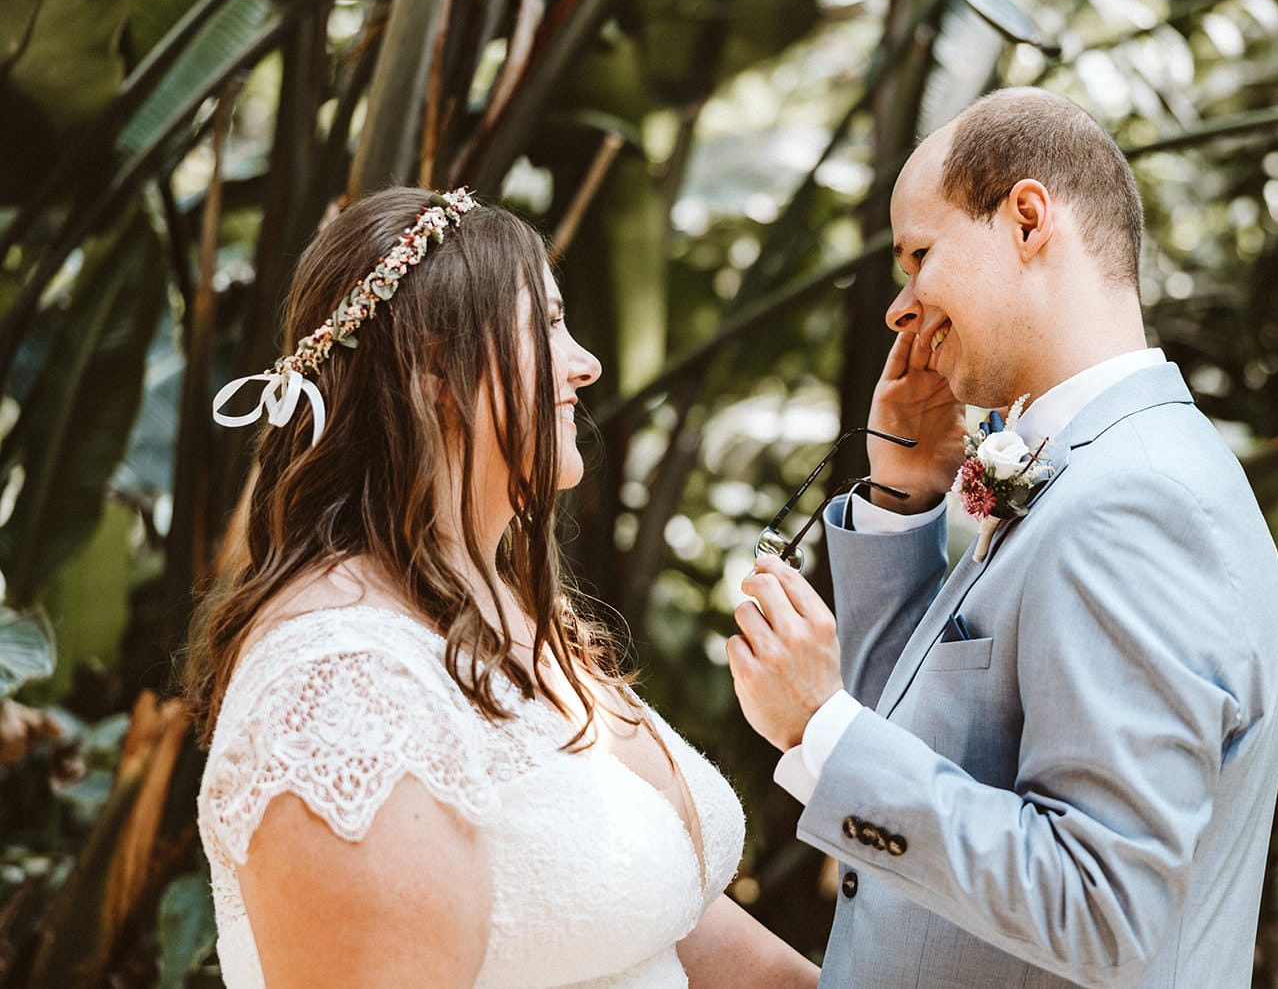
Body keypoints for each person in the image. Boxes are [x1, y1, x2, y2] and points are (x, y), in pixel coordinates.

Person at [729, 88, 1278, 987]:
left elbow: (1100, 906)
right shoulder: (1084, 463)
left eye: (920, 255)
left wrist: (821, 729)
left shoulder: (1134, 501)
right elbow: (937, 746)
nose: (899, 307)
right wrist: (902, 501)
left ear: (1029, 220)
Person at [187, 187, 817, 988]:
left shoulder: (505, 609)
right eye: (547, 326)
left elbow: (679, 921)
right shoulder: (343, 687)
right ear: (433, 370)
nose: (585, 364)